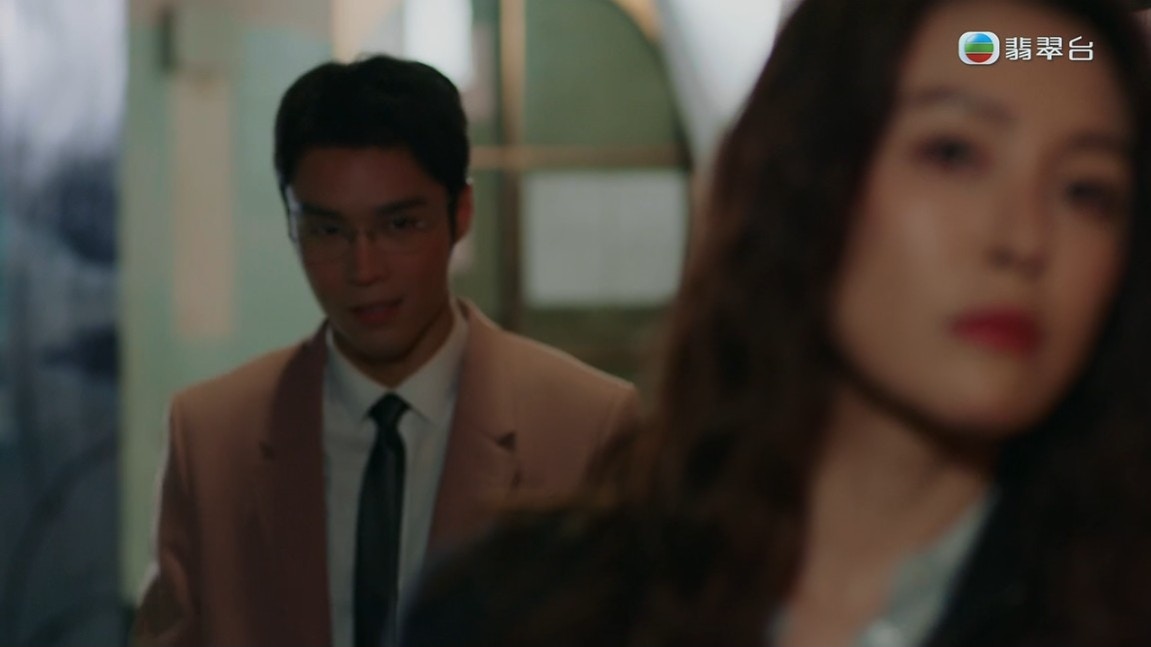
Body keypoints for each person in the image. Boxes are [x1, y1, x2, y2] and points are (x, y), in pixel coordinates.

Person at [404, 0, 1151, 645]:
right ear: (808, 181)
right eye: (953, 153)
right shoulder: (522, 611)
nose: (1024, 238)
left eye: (1086, 191)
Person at [131, 55, 640, 647]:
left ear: (460, 214)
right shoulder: (213, 437)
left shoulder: (586, 428)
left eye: (400, 226)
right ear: (292, 224)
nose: (363, 269)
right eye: (328, 230)